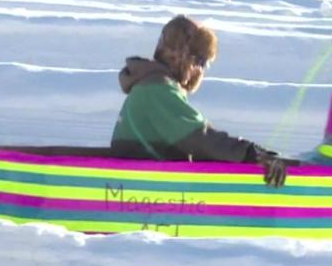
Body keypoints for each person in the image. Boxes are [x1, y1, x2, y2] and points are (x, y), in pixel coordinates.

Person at [110, 14, 288, 187]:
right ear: (187, 59)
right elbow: (198, 137)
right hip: (143, 191)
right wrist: (250, 153)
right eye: (202, 63)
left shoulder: (153, 86)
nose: (201, 71)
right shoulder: (157, 89)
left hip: (144, 187)